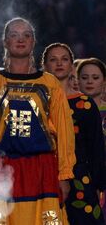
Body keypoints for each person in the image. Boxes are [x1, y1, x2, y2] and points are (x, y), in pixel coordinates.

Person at [0, 17, 76, 224]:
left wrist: (64, 174)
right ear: (5, 42)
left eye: (26, 35)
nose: (20, 39)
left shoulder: (49, 84)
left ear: (33, 42)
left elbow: (64, 130)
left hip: (41, 170)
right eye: (14, 35)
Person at [43, 43, 106, 224]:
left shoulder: (85, 104)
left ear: (72, 65)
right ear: (44, 66)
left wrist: (99, 184)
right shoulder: (38, 102)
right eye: (53, 60)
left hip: (82, 179)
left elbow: (96, 148)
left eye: (64, 59)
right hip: (46, 177)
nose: (59, 64)